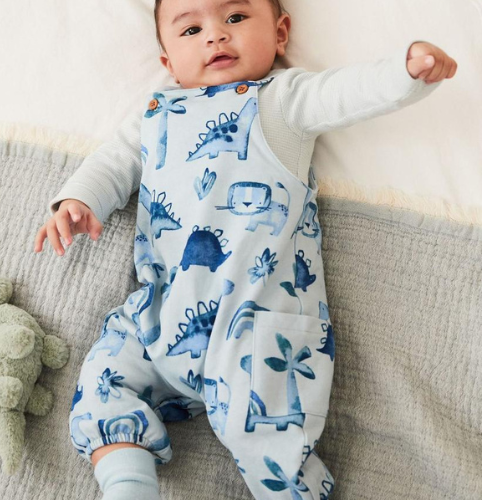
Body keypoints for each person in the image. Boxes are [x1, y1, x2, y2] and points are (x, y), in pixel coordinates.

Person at [34, 0, 457, 498]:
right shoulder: (155, 113)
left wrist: (406, 71)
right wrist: (80, 200)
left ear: (280, 33)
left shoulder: (284, 99)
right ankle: (128, 486)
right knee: (103, 382)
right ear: (168, 61)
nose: (215, 35)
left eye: (235, 18)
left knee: (265, 435)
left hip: (255, 323)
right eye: (191, 29)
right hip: (160, 313)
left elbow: (348, 91)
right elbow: (114, 162)